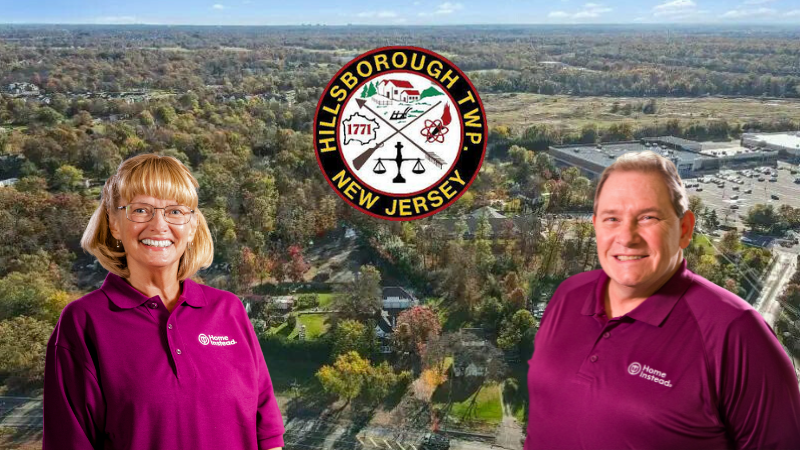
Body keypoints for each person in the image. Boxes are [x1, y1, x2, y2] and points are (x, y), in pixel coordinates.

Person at [525, 151, 800, 449]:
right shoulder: (568, 295)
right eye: (611, 219)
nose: (627, 237)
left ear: (684, 229)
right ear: (596, 226)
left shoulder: (736, 333)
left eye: (648, 218)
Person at [43, 154, 285, 450]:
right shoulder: (83, 323)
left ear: (192, 226)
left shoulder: (229, 310)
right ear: (115, 224)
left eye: (174, 211)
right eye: (141, 210)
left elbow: (268, 437)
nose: (159, 225)